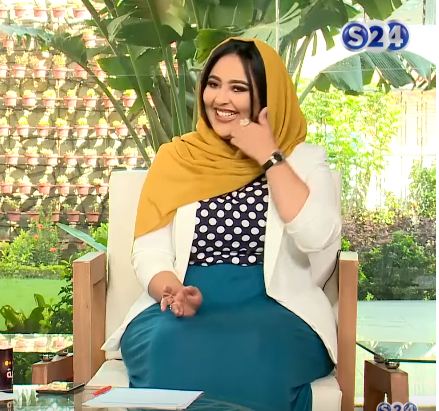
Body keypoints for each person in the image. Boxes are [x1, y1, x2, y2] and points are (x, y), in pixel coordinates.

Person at [103, 37, 341, 411]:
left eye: (238, 88)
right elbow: (149, 250)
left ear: (267, 96)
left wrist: (269, 156)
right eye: (213, 84)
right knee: (167, 346)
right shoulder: (177, 158)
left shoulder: (304, 160)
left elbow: (317, 237)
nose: (220, 99)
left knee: (258, 350)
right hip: (185, 300)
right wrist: (172, 291)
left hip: (278, 307)